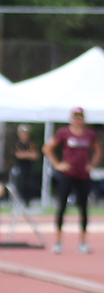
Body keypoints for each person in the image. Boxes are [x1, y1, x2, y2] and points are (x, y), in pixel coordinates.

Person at [43, 107, 102, 254]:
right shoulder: (64, 133)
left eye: (80, 117)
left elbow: (98, 150)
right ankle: (58, 241)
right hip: (67, 175)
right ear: (71, 118)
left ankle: (82, 242)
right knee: (61, 207)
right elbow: (47, 148)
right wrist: (57, 164)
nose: (78, 120)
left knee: (83, 208)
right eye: (75, 117)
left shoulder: (89, 134)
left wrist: (92, 164)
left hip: (83, 175)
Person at [13, 124, 41, 205]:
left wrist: (25, 154)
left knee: (30, 185)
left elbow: (35, 155)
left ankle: (28, 201)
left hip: (29, 168)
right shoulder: (17, 143)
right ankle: (20, 200)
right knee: (20, 184)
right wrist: (28, 154)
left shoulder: (31, 144)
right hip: (20, 168)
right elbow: (18, 155)